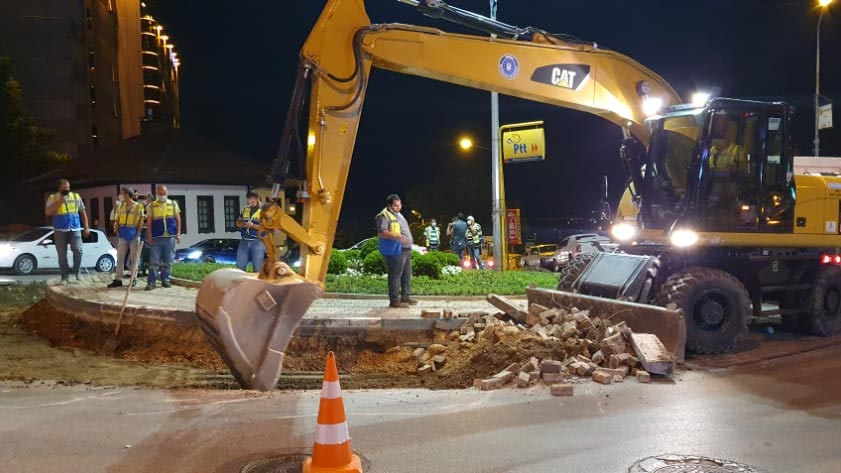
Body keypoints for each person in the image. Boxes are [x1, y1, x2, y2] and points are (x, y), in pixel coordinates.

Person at [44, 179, 90, 285]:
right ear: (59, 188)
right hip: (60, 229)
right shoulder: (53, 198)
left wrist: (86, 227)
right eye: (64, 188)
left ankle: (77, 272)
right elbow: (48, 212)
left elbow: (83, 212)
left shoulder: (76, 197)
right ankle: (65, 277)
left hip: (75, 228)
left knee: (78, 250)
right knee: (62, 254)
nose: (66, 189)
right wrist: (59, 202)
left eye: (68, 187)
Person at [376, 194, 417, 309]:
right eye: (396, 205)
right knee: (395, 275)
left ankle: (405, 297)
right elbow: (382, 232)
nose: (399, 207)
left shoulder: (398, 214)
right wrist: (396, 236)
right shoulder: (384, 216)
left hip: (406, 249)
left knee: (406, 275)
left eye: (400, 205)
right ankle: (394, 301)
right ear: (389, 206)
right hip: (396, 249)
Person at [145, 185, 181, 290]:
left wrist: (178, 233)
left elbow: (178, 220)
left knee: (168, 261)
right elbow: (149, 223)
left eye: (164, 193)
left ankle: (166, 280)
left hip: (170, 236)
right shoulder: (152, 206)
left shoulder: (173, 204)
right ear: (157, 194)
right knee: (154, 261)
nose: (162, 195)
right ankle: (151, 282)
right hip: (157, 237)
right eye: (160, 194)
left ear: (167, 193)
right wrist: (149, 237)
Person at [107, 187, 144, 288]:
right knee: (120, 258)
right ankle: (118, 279)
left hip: (134, 234)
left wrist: (138, 234)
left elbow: (140, 221)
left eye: (122, 194)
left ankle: (133, 279)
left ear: (127, 195)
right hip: (123, 234)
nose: (121, 196)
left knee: (134, 258)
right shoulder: (120, 206)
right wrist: (117, 230)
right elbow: (117, 219)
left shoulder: (139, 206)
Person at [235, 191, 266, 272]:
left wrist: (252, 226)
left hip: (258, 241)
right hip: (244, 240)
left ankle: (258, 280)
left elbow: (266, 228)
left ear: (257, 199)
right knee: (240, 267)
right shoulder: (246, 209)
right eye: (248, 202)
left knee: (258, 267)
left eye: (252, 202)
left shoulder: (264, 211)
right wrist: (242, 224)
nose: (250, 204)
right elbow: (237, 222)